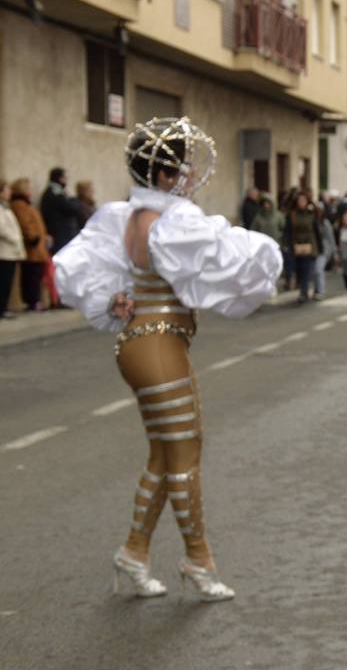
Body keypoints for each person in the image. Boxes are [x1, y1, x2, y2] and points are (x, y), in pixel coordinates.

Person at [53, 117, 281, 602]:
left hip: (144, 342)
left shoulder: (127, 217)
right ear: (160, 176)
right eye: (180, 169)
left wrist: (112, 299)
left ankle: (133, 553)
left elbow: (82, 270)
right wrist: (265, 258)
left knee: (163, 454)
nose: (188, 177)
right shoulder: (171, 220)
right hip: (158, 345)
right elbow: (229, 257)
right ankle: (199, 561)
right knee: (185, 456)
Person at [8, 178, 50, 311]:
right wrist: (34, 237)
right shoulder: (19, 205)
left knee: (36, 274)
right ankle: (32, 301)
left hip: (38, 247)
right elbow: (25, 223)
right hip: (32, 247)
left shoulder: (26, 204)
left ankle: (35, 300)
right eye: (29, 188)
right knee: (31, 275)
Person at [285, 191, 321, 303]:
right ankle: (301, 287)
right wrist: (287, 244)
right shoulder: (292, 214)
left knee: (306, 269)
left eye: (304, 200)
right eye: (300, 200)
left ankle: (303, 292)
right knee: (298, 270)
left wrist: (320, 247)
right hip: (296, 246)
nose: (302, 203)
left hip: (310, 246)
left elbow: (317, 231)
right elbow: (288, 230)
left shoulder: (312, 214)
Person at [40, 167, 83, 255]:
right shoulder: (55, 193)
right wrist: (74, 199)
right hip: (60, 235)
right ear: (59, 178)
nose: (66, 181)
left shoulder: (56, 192)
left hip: (60, 235)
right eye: (65, 178)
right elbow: (71, 209)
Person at [0, 179, 23, 319]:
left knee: (7, 282)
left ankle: (3, 307)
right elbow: (2, 228)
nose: (9, 193)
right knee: (3, 282)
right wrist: (15, 238)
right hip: (4, 251)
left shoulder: (5, 207)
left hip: (10, 252)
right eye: (6, 190)